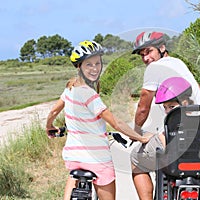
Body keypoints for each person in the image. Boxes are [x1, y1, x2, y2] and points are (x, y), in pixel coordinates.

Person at [45, 40, 152, 200]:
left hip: (73, 157)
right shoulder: (90, 95)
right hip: (97, 159)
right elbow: (116, 123)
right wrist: (141, 138)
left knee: (72, 177)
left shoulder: (70, 88)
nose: (95, 68)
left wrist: (50, 126)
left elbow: (54, 110)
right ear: (79, 66)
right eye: (89, 64)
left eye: (97, 63)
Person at [131, 31, 200, 200]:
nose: (145, 58)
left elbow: (144, 105)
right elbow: (199, 92)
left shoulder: (155, 68)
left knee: (136, 159)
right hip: (198, 139)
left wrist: (136, 132)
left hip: (175, 138)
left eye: (148, 51)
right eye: (142, 55)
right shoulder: (179, 64)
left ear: (162, 48)